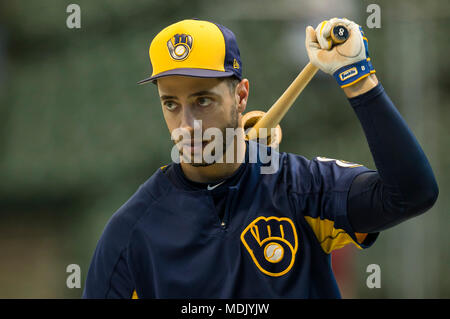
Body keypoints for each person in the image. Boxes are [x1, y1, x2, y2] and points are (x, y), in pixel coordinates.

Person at [82, 18, 438, 298]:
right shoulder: (132, 231)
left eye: (203, 100)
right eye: (171, 104)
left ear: (241, 96)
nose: (186, 125)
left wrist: (358, 79)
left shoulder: (303, 189)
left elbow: (412, 194)